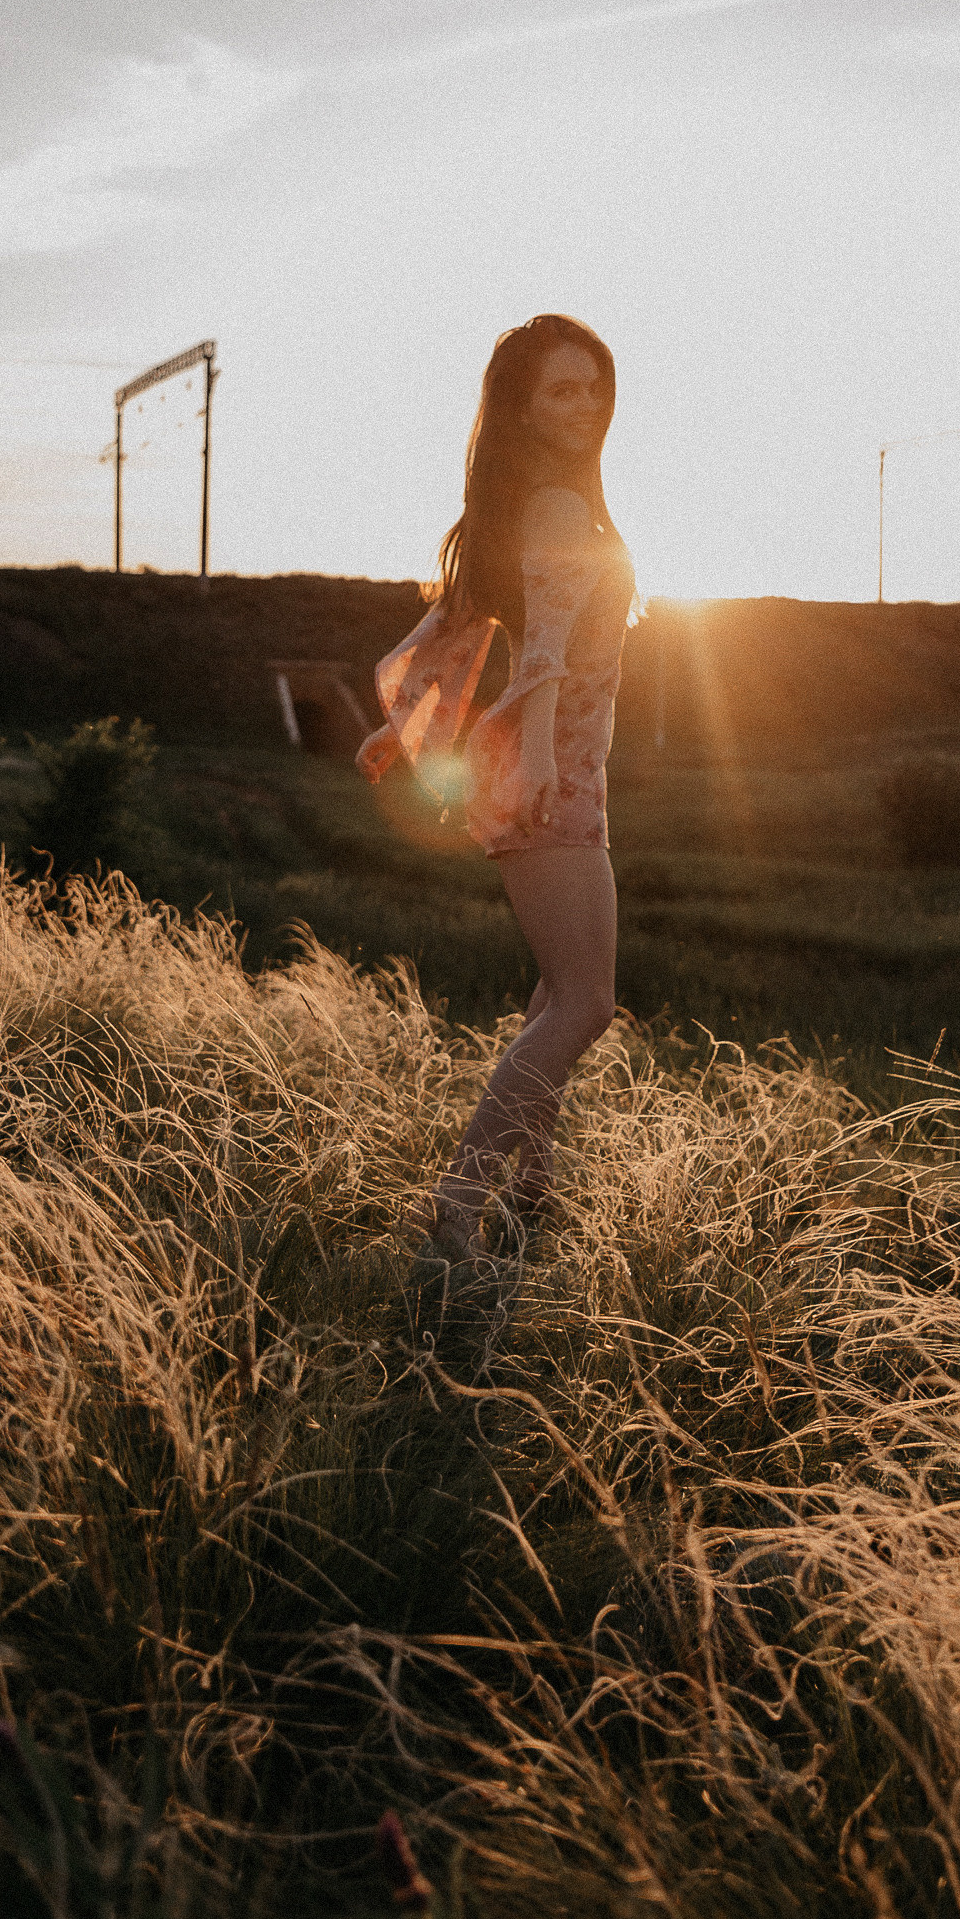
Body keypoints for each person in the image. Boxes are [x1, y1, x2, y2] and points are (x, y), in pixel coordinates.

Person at [359, 314, 634, 1263]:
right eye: (562, 389)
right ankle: (458, 1206)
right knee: (586, 1002)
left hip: (550, 767)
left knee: (558, 987)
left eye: (594, 384)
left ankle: (531, 1183)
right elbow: (546, 654)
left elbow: (459, 623)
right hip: (547, 771)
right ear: (520, 405)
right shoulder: (559, 509)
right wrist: (550, 764)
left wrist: (401, 726)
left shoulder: (532, 505)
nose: (585, 404)